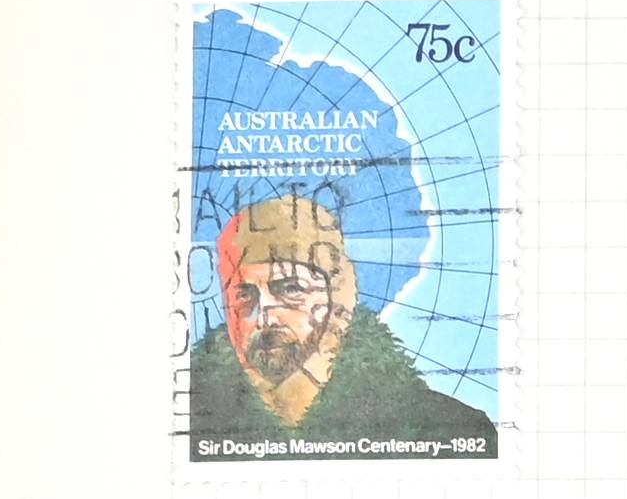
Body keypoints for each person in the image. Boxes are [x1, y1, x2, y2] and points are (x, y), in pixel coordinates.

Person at [192, 192, 492, 450]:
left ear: (337, 298)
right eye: (244, 296)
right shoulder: (187, 417)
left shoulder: (448, 427)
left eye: (291, 289)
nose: (264, 317)